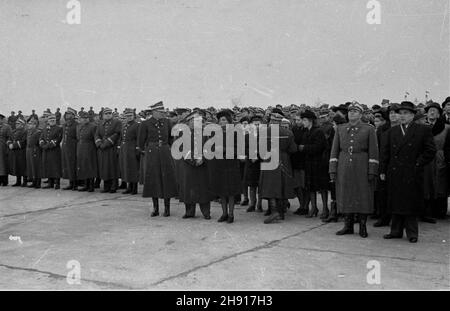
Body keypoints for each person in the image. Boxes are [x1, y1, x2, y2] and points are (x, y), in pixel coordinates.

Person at [380, 101, 436, 243]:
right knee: (396, 201)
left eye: (406, 113)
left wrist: (418, 163)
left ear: (412, 115)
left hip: (413, 172)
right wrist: (382, 170)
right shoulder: (391, 132)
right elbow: (385, 153)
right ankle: (395, 231)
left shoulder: (422, 130)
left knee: (410, 203)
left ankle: (412, 233)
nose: (402, 116)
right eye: (401, 113)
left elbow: (430, 151)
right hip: (395, 171)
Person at [329, 102, 379, 238]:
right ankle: (348, 225)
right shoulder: (340, 129)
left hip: (361, 165)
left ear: (361, 114)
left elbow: (373, 151)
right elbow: (334, 150)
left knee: (362, 195)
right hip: (344, 166)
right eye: (350, 111)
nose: (352, 113)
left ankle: (362, 226)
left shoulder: (369, 129)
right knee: (345, 194)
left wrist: (372, 170)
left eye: (355, 111)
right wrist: (333, 169)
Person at [138, 101, 178, 217]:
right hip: (152, 152)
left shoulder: (167, 122)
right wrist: (145, 150)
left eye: (163, 112)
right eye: (160, 112)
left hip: (165, 152)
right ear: (154, 112)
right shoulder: (145, 124)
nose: (163, 114)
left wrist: (167, 147)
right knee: (153, 180)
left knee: (167, 179)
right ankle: (155, 208)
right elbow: (141, 141)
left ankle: (167, 208)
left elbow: (171, 138)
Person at [260, 110, 299, 224]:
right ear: (280, 121)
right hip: (284, 159)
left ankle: (274, 211)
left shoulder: (264, 132)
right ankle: (281, 213)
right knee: (282, 185)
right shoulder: (288, 133)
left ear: (271, 121)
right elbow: (293, 149)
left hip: (269, 158)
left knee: (270, 186)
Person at [207, 109, 242, 223]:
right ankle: (224, 213)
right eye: (220, 120)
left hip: (231, 165)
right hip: (219, 164)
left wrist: (225, 149)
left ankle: (231, 214)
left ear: (229, 121)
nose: (222, 122)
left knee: (230, 191)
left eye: (224, 120)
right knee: (221, 190)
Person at [178, 110, 213, 219]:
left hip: (203, 165)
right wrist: (193, 160)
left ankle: (206, 212)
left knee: (203, 188)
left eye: (198, 120)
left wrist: (202, 158)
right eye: (193, 121)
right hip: (189, 165)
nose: (196, 123)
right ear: (188, 122)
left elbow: (210, 148)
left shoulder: (206, 133)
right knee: (189, 188)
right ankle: (189, 212)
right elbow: (182, 149)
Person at [298, 110, 329, 218]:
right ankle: (314, 208)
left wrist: (304, 148)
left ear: (310, 121)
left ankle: (325, 209)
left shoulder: (318, 131)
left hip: (319, 164)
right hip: (309, 163)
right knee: (310, 187)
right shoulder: (306, 132)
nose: (303, 122)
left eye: (304, 120)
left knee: (322, 187)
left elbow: (319, 147)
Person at [423, 102, 449, 220]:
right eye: (430, 111)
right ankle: (426, 211)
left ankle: (439, 211)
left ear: (439, 115)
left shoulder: (447, 127)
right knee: (426, 184)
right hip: (426, 158)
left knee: (440, 184)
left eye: (435, 111)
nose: (432, 112)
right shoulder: (421, 126)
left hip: (440, 158)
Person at [95, 107, 122, 193]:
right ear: (103, 115)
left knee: (112, 167)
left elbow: (117, 134)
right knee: (104, 168)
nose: (108, 115)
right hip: (102, 149)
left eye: (109, 113)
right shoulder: (100, 123)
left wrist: (107, 142)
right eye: (106, 114)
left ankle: (114, 186)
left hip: (112, 148)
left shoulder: (117, 122)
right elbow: (97, 134)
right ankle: (106, 186)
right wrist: (99, 143)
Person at [244, 114, 263, 212]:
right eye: (254, 125)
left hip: (261, 162)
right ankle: (252, 203)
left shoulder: (264, 136)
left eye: (258, 124)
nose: (256, 126)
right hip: (251, 163)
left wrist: (258, 155)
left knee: (260, 184)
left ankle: (259, 204)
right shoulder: (247, 136)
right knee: (252, 185)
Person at [119, 108, 140, 195]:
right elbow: (122, 137)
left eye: (130, 116)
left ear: (134, 116)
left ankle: (134, 188)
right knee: (126, 168)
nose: (129, 117)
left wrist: (138, 148)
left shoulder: (137, 125)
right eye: (127, 116)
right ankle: (129, 187)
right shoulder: (124, 125)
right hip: (125, 148)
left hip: (132, 147)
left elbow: (139, 138)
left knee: (133, 168)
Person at [39, 114, 63, 189]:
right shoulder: (45, 128)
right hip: (46, 151)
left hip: (54, 150)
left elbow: (57, 139)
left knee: (56, 166)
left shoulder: (59, 128)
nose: (52, 121)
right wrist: (42, 144)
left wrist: (48, 145)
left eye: (53, 120)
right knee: (48, 166)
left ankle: (57, 183)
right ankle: (50, 183)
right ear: (48, 121)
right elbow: (41, 138)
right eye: (50, 120)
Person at [76, 111, 98, 192]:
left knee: (90, 166)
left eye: (86, 118)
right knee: (83, 166)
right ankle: (86, 185)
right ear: (80, 119)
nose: (85, 120)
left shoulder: (93, 127)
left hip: (89, 148)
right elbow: (78, 137)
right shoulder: (78, 126)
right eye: (83, 118)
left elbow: (95, 137)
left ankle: (91, 186)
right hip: (81, 147)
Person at [61, 108, 78, 190]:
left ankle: (75, 183)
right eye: (67, 114)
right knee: (67, 165)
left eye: (70, 114)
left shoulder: (76, 125)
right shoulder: (65, 124)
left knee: (73, 165)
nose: (68, 115)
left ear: (73, 115)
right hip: (65, 147)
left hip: (73, 147)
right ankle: (71, 183)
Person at [7, 118, 27, 187]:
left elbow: (24, 142)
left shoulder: (25, 131)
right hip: (14, 152)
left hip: (21, 152)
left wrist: (14, 145)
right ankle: (18, 181)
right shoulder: (13, 131)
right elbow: (9, 139)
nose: (16, 125)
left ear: (22, 125)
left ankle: (25, 182)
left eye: (18, 124)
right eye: (16, 124)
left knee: (23, 167)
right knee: (16, 166)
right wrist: (9, 144)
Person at [25, 119, 42, 188]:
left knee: (36, 167)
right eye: (29, 124)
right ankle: (34, 181)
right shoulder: (29, 132)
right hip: (29, 150)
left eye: (31, 124)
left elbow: (38, 143)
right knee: (31, 167)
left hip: (35, 150)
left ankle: (38, 183)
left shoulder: (38, 132)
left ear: (35, 125)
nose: (29, 125)